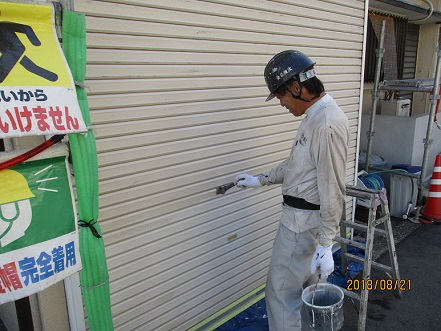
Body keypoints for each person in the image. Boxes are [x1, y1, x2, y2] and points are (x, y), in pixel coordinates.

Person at [234, 50, 350, 331]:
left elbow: (333, 188)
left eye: (281, 95)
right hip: (304, 224)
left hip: (301, 227)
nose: (281, 103)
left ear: (297, 87)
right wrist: (261, 179)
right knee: (302, 294)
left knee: (280, 294)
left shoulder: (326, 124)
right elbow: (298, 162)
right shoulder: (315, 116)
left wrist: (326, 244)